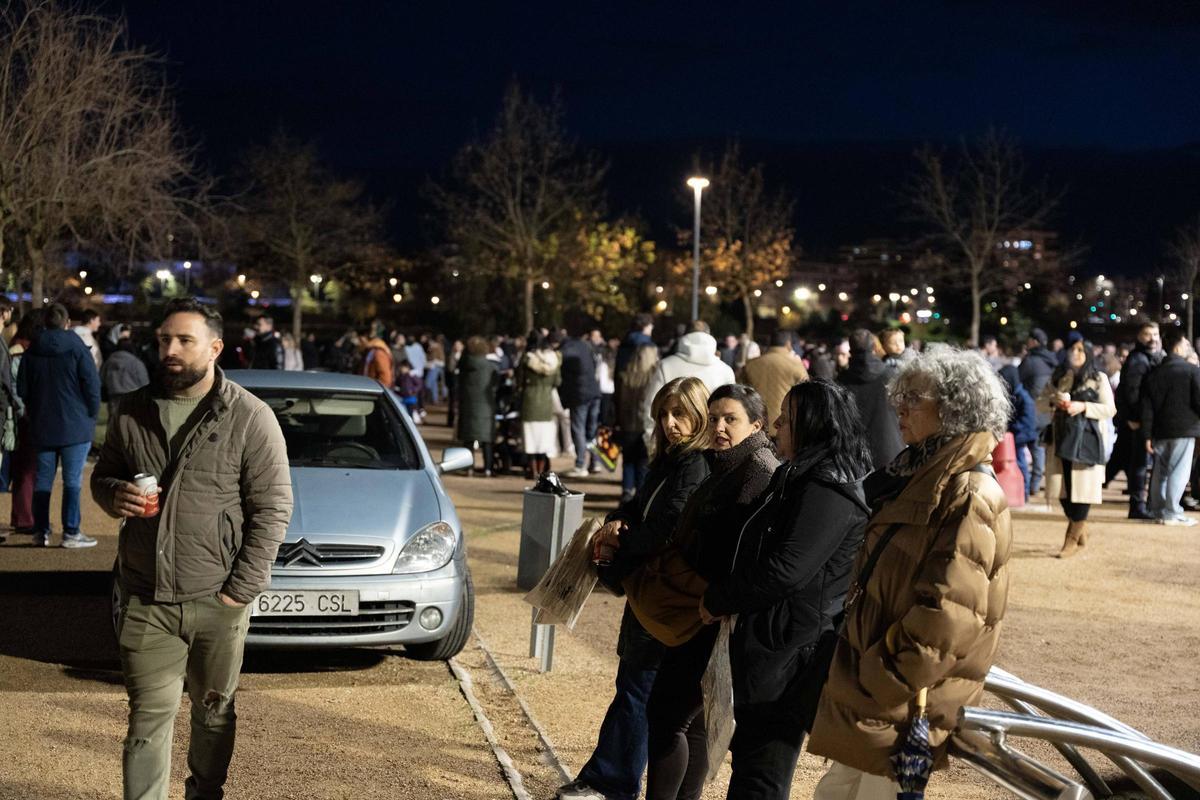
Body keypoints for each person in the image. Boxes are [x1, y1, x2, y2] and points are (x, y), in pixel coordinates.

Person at [92, 297, 293, 800]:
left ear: (215, 348)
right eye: (164, 339)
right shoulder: (133, 409)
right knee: (146, 721)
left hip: (217, 599)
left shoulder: (250, 416)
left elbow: (272, 509)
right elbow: (103, 475)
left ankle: (205, 791)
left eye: (184, 340)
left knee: (212, 713)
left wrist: (238, 591)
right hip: (146, 597)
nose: (171, 350)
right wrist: (114, 495)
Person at [808, 346, 1013, 799]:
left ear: (954, 408)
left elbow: (952, 613)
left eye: (915, 399)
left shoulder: (967, 488)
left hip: (904, 697)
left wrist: (883, 674)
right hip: (874, 689)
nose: (899, 407)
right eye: (901, 395)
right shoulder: (917, 472)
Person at [700, 380, 872, 799]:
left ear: (813, 426)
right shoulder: (802, 475)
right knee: (752, 761)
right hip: (773, 639)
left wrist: (719, 600)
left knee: (763, 770)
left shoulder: (828, 489)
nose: (776, 425)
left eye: (787, 419)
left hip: (790, 650)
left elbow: (787, 569)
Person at [557, 377, 713, 800]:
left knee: (638, 691)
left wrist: (620, 545)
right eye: (663, 414)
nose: (669, 423)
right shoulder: (671, 460)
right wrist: (617, 519)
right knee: (639, 690)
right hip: (650, 591)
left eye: (679, 413)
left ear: (699, 415)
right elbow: (640, 506)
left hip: (664, 597)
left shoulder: (695, 465)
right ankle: (611, 778)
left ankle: (610, 781)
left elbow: (667, 530)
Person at [625, 384, 779, 800]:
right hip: (701, 604)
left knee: (666, 715)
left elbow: (744, 549)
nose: (719, 427)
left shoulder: (757, 470)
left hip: (714, 609)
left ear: (757, 425)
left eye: (731, 419)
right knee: (687, 721)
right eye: (713, 419)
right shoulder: (721, 462)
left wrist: (717, 595)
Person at [17, 303, 101, 548]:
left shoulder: (33, 350)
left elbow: (22, 388)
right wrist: (91, 415)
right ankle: (71, 532)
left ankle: (40, 531)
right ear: (67, 323)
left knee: (43, 479)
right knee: (72, 481)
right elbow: (92, 386)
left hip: (42, 423)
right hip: (76, 424)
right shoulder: (77, 348)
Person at [1039, 338, 1117, 557]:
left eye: (1081, 349)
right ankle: (1081, 528)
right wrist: (1055, 402)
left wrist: (1082, 406)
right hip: (1061, 437)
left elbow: (1110, 409)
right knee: (1063, 492)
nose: (1076, 353)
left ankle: (1071, 538)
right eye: (1072, 349)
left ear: (1089, 353)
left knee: (1082, 491)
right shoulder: (1059, 377)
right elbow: (1040, 401)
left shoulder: (1098, 378)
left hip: (1087, 440)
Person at [1140, 327, 1200, 526]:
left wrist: (1147, 434)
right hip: (1185, 428)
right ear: (1179, 345)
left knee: (1160, 471)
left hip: (1160, 429)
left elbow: (1146, 407)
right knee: (1179, 471)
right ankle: (1173, 511)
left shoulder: (1154, 373)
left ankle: (1158, 509)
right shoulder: (1192, 371)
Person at [639, 329, 735, 450]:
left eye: (678, 413)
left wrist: (652, 445)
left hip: (670, 447)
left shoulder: (666, 366)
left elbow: (651, 408)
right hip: (713, 445)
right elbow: (730, 414)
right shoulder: (725, 370)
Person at [838, 329, 903, 471]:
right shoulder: (891, 375)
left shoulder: (841, 381)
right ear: (874, 347)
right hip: (891, 450)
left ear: (851, 349)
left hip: (856, 457)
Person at [1115, 322, 1162, 519]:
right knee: (1139, 464)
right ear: (1139, 336)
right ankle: (1137, 505)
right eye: (1147, 334)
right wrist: (1135, 418)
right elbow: (1131, 392)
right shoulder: (1139, 360)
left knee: (1128, 461)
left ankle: (1140, 504)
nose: (1152, 338)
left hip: (1140, 419)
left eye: (1155, 333)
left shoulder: (1147, 357)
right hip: (1139, 421)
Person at [7, 310, 45, 535]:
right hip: (23, 417)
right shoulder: (18, 352)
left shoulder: (21, 349)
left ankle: (24, 516)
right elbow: (15, 388)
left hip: (26, 415)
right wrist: (27, 412)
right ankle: (24, 518)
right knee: (26, 468)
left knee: (28, 468)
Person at [738, 329, 810, 430]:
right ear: (788, 344)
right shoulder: (796, 366)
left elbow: (740, 393)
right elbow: (806, 397)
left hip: (756, 423)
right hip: (785, 424)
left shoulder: (751, 365)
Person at [615, 343, 660, 502]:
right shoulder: (653, 376)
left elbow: (618, 400)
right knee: (643, 462)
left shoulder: (625, 375)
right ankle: (640, 496)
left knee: (628, 460)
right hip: (643, 425)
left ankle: (626, 491)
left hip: (627, 423)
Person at [518, 330, 562, 478]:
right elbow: (557, 381)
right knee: (543, 441)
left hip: (529, 401)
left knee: (530, 440)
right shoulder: (554, 360)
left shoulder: (527, 359)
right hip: (546, 402)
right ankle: (541, 469)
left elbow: (520, 380)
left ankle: (532, 471)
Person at [1019, 328, 1057, 496]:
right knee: (1039, 449)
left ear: (1034, 341)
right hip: (1047, 411)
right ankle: (1035, 483)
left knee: (1024, 447)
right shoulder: (1053, 360)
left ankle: (1028, 486)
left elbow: (1018, 382)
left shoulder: (1030, 361)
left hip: (1032, 411)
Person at [560, 330, 604, 478]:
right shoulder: (586, 346)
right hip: (594, 392)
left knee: (578, 429)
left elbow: (564, 377)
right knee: (591, 431)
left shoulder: (566, 350)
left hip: (579, 395)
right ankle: (595, 461)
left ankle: (580, 464)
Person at [456, 336, 500, 476]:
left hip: (468, 405)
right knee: (487, 439)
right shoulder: (490, 367)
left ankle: (469, 467)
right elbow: (495, 384)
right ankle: (488, 467)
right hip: (486, 406)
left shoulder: (464, 365)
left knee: (468, 439)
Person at [998, 365, 1039, 499]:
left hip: (1022, 436)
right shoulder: (1015, 395)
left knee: (1021, 463)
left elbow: (1027, 422)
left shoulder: (1024, 398)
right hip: (1017, 434)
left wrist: (1011, 430)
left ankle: (1024, 492)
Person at [100, 329, 151, 416]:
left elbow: (102, 378)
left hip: (114, 397)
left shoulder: (109, 361)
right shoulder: (136, 362)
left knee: (114, 423)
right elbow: (144, 381)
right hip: (132, 397)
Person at [425, 337, 446, 404]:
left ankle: (436, 397)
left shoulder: (437, 348)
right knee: (434, 384)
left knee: (428, 383)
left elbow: (442, 361)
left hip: (435, 367)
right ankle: (435, 399)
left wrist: (433, 362)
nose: (429, 344)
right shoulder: (433, 349)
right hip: (433, 367)